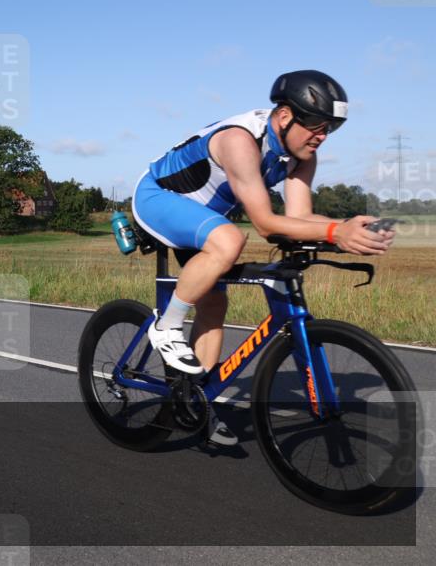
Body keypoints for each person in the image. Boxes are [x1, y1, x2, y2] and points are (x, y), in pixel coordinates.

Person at [131, 70, 395, 446]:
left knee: (214, 303)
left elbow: (298, 219)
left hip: (204, 217)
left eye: (330, 130)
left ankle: (196, 402)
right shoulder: (241, 141)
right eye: (317, 126)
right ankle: (166, 326)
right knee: (229, 241)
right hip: (159, 198)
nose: (322, 136)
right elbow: (268, 225)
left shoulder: (301, 156)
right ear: (285, 116)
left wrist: (350, 227)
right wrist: (336, 232)